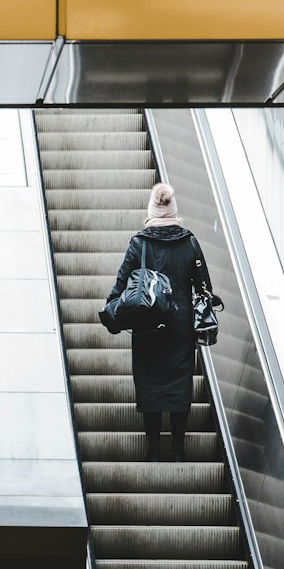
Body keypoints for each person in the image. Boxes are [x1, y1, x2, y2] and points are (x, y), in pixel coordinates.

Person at [104, 183, 217, 461]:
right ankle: (178, 450)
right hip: (180, 328)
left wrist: (114, 315)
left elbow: (119, 289)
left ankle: (153, 449)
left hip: (147, 328)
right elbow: (204, 288)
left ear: (151, 212)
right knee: (179, 386)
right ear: (174, 212)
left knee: (150, 385)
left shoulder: (139, 244)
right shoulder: (189, 242)